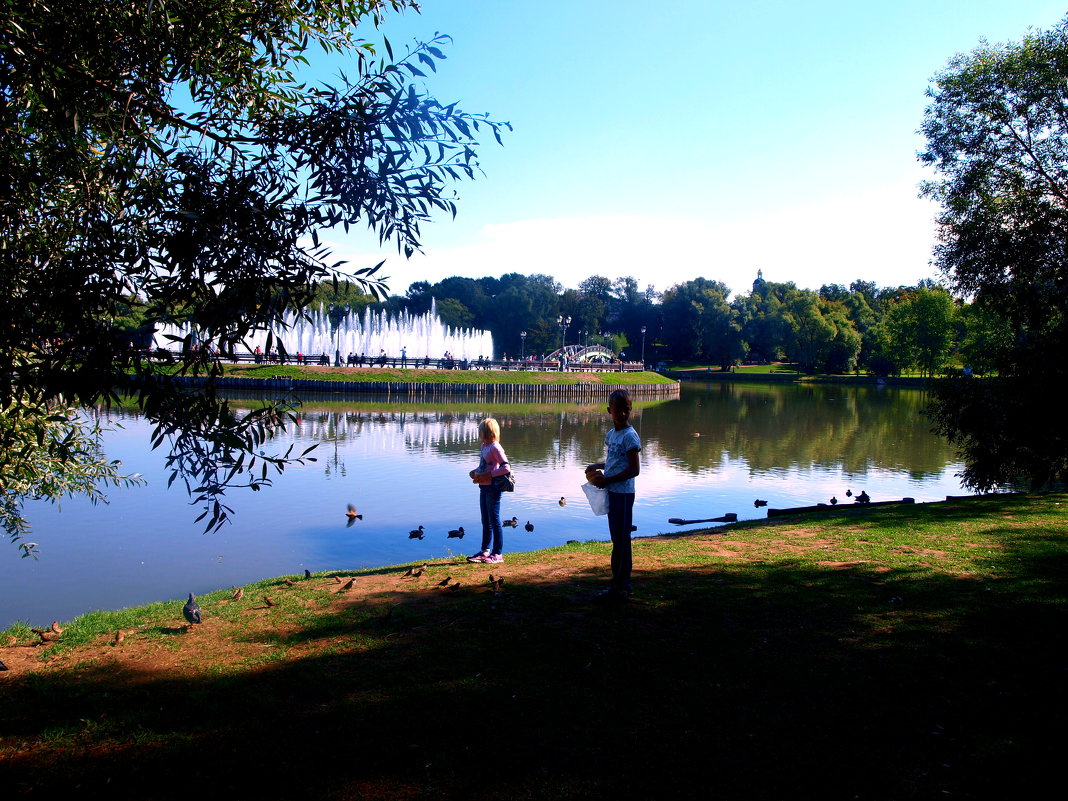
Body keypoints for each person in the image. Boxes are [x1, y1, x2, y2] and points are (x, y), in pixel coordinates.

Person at [585, 389, 641, 601]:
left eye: (626, 410)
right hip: (613, 493)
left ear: (630, 410)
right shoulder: (611, 435)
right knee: (616, 538)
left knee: (622, 540)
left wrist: (606, 479)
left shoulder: (630, 436)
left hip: (624, 495)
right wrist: (596, 466)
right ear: (610, 411)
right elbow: (613, 462)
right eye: (618, 410)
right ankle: (617, 584)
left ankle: (622, 585)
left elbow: (634, 470)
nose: (623, 414)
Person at [467, 418, 511, 564]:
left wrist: (488, 475)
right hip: (483, 486)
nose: (478, 432)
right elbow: (484, 466)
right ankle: (485, 551)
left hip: (493, 488)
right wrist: (475, 472)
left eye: (480, 430)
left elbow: (506, 468)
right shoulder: (484, 446)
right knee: (485, 520)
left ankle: (497, 554)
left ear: (486, 431)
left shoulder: (495, 447)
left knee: (494, 520)